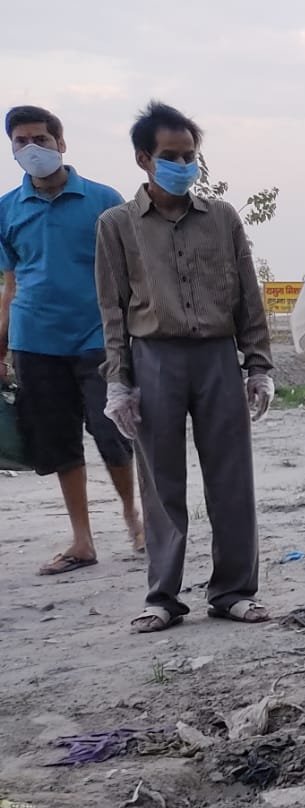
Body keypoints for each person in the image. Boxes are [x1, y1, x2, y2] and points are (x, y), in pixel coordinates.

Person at [95, 101, 273, 633]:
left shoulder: (221, 218)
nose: (182, 164)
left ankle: (234, 591)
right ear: (143, 159)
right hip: (154, 359)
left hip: (217, 355)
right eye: (170, 156)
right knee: (161, 483)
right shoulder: (117, 226)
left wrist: (258, 365)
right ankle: (163, 597)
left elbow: (248, 295)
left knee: (232, 479)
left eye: (189, 155)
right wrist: (118, 381)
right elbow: (111, 308)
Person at [0, 105, 143, 575]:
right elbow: (10, 282)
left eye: (41, 139)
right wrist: (2, 344)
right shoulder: (6, 209)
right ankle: (82, 540)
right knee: (59, 442)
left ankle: (133, 517)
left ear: (61, 144)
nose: (32, 149)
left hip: (98, 337)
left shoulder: (104, 200)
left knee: (113, 433)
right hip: (34, 339)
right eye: (21, 142)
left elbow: (131, 274)